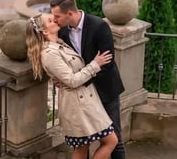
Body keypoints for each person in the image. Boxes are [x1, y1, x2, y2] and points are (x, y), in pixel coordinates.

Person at [26, 13, 118, 159]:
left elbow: (67, 75)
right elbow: (72, 80)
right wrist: (96, 64)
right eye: (50, 20)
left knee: (91, 145)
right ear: (44, 31)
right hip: (77, 105)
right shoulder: (49, 54)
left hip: (84, 101)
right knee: (101, 143)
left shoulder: (60, 42)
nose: (55, 19)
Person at [50, 0, 126, 159]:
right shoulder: (61, 32)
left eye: (57, 16)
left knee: (115, 138)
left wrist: (78, 81)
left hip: (105, 91)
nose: (54, 20)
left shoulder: (99, 26)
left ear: (70, 13)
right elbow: (61, 60)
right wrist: (60, 78)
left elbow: (107, 63)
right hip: (82, 97)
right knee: (84, 141)